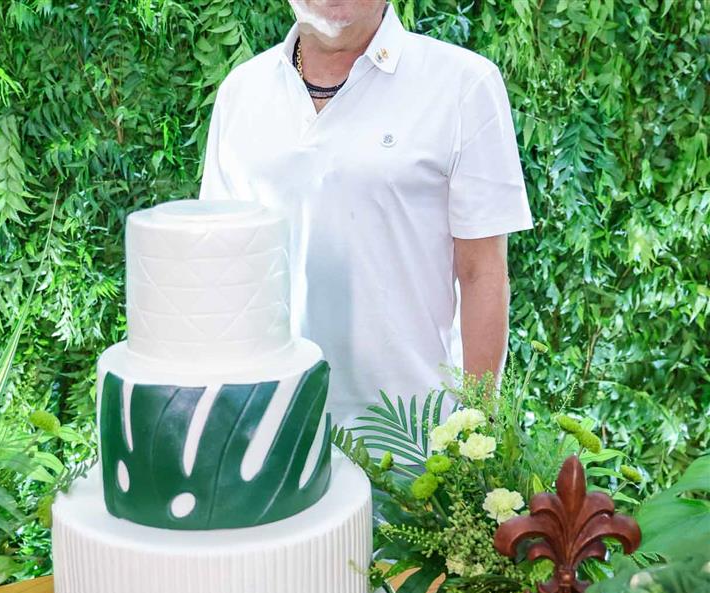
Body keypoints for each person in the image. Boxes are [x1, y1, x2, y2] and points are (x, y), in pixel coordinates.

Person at [200, 0, 533, 428]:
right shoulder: (241, 92)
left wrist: (477, 430)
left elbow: (481, 273)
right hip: (266, 429)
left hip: (413, 437)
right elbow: (221, 267)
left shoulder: (462, 85)